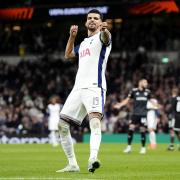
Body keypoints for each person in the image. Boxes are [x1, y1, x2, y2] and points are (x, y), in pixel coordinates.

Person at [56, 9, 111, 173]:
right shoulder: (85, 43)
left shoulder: (102, 37)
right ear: (86, 22)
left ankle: (93, 158)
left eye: (96, 18)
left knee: (94, 122)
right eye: (89, 18)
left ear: (101, 22)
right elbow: (68, 55)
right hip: (78, 88)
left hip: (95, 87)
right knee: (62, 125)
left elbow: (106, 38)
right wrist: (72, 37)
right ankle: (72, 164)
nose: (92, 20)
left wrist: (105, 30)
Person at [114, 79, 151, 154]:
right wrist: (120, 105)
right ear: (140, 83)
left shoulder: (148, 92)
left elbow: (151, 101)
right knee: (131, 129)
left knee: (142, 130)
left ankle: (143, 148)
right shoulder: (134, 91)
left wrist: (157, 106)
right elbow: (127, 100)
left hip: (143, 114)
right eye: (145, 82)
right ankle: (129, 147)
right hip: (135, 114)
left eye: (147, 82)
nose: (146, 84)